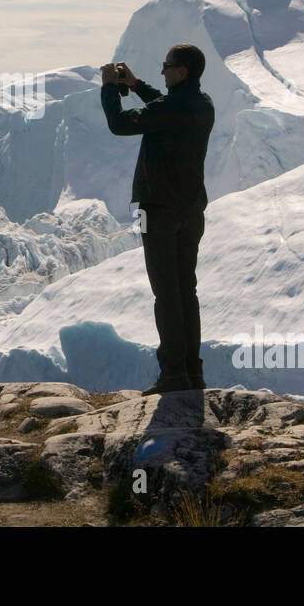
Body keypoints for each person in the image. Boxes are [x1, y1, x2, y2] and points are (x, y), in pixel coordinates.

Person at [100, 46, 215, 395]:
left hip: (156, 211)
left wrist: (109, 88)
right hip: (191, 210)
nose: (162, 72)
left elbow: (120, 125)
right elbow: (162, 104)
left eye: (166, 67)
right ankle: (192, 373)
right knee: (186, 291)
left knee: (165, 293)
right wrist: (135, 84)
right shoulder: (202, 103)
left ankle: (173, 375)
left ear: (181, 72)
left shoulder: (169, 109)